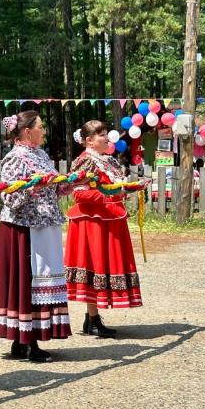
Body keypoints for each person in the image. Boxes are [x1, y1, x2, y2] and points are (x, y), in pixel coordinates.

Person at [0, 110, 72, 362]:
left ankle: (28, 339)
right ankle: (26, 340)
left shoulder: (41, 154)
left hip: (44, 226)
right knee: (28, 282)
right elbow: (9, 198)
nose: (44, 131)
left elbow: (50, 191)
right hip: (23, 229)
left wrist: (67, 183)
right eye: (41, 126)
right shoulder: (14, 158)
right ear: (28, 131)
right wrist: (33, 185)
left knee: (42, 280)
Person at [64, 120, 142, 338]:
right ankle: (93, 318)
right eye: (102, 135)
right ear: (89, 140)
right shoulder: (84, 161)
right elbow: (79, 194)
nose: (107, 138)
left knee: (102, 266)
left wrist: (129, 188)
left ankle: (92, 319)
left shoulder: (108, 160)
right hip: (92, 221)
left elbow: (114, 187)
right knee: (94, 267)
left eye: (106, 134)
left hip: (109, 218)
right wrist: (111, 195)